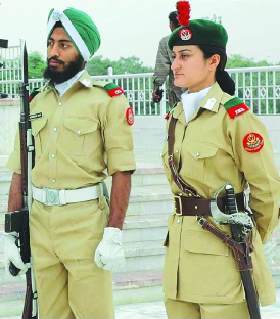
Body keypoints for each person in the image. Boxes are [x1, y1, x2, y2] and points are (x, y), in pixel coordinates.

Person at [4, 7, 135, 319]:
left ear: (82, 52)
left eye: (64, 45)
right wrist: (10, 231)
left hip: (86, 225)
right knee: (50, 314)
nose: (54, 52)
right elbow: (20, 170)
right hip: (40, 224)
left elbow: (122, 170)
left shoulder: (107, 101)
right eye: (51, 43)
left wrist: (113, 232)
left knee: (93, 314)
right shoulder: (34, 102)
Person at [161, 1, 280, 319]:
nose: (176, 65)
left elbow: (267, 189)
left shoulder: (235, 117)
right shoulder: (175, 118)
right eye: (174, 56)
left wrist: (249, 239)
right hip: (178, 265)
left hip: (224, 260)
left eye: (185, 56)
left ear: (213, 60)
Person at [152, 11, 183, 107]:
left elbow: (161, 70)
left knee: (179, 120)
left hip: (179, 92)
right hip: (200, 89)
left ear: (171, 24)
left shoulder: (166, 42)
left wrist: (156, 89)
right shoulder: (197, 39)